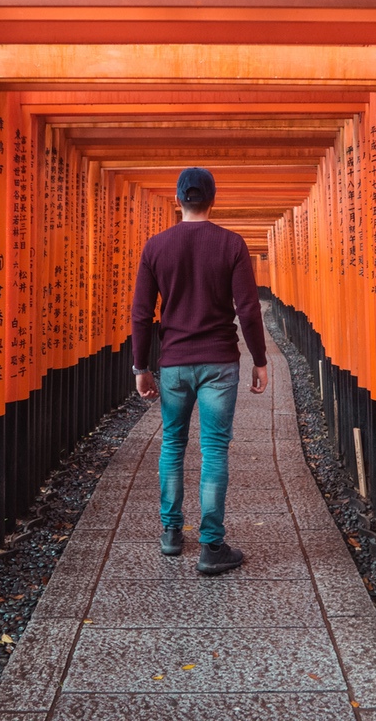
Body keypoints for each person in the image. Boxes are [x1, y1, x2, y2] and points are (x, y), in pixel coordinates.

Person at [131, 167, 269, 575]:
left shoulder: (156, 247)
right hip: (219, 362)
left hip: (173, 363)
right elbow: (247, 308)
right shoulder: (231, 244)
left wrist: (141, 366)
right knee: (213, 450)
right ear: (213, 201)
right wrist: (260, 360)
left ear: (178, 200)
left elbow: (142, 313)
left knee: (172, 444)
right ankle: (211, 545)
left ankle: (172, 534)